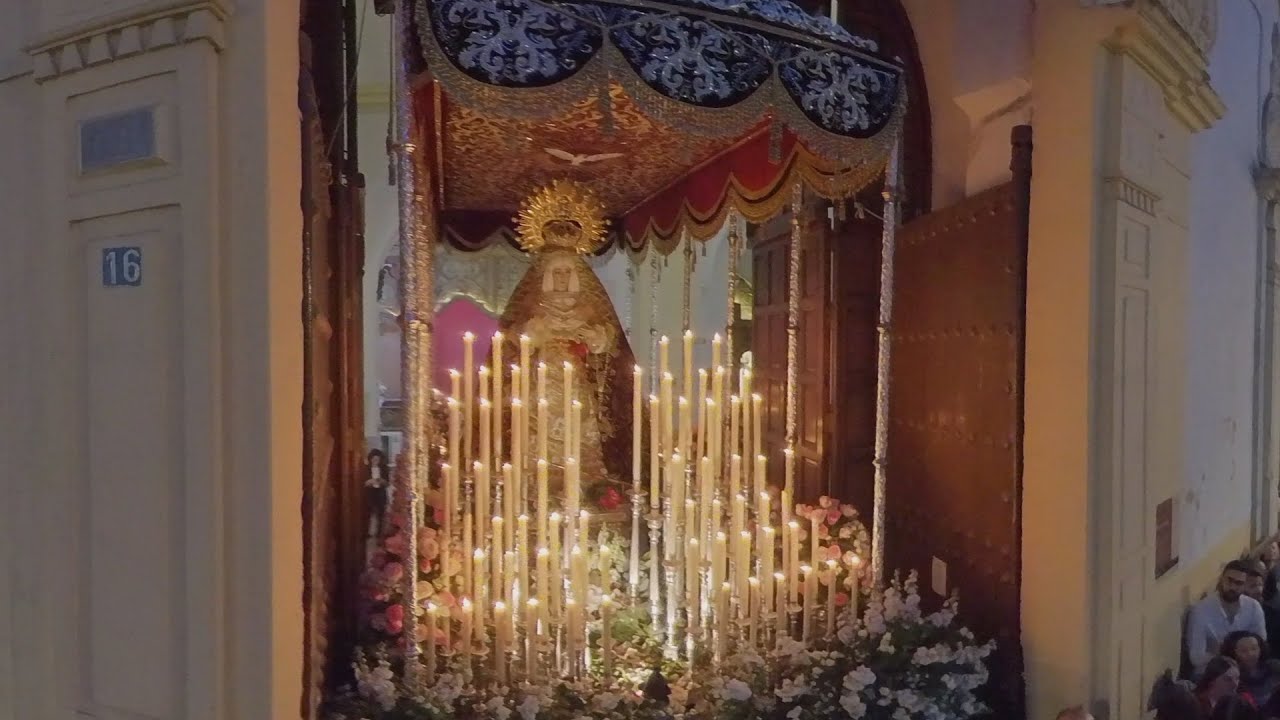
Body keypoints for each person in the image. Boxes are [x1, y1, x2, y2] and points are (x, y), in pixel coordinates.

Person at [1189, 561, 1270, 674]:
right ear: (1222, 578)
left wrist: (1219, 651)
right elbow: (1196, 658)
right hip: (1214, 673)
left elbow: (1261, 644)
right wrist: (1228, 658)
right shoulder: (1201, 610)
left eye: (1238, 583)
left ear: (1245, 585)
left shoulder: (1253, 607)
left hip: (1247, 669)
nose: (1232, 587)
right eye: (1229, 580)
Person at [1222, 631, 1280, 707]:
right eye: (1243, 651)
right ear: (1232, 653)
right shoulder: (1232, 677)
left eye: (1254, 648)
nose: (1250, 654)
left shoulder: (1274, 666)